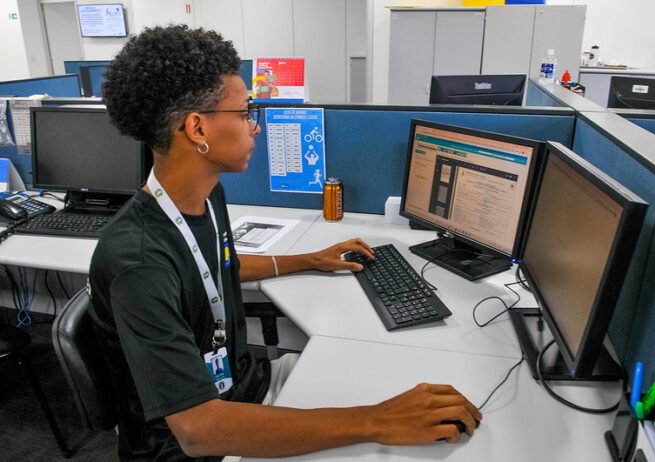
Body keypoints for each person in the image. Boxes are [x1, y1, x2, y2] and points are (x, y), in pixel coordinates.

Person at [89, 25, 481, 461]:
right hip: (194, 444)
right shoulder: (138, 261)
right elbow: (199, 431)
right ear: (197, 128)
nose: (255, 127)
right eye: (245, 113)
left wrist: (311, 259)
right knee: (394, 438)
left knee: (398, 386)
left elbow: (216, 265)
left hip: (247, 387)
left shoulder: (206, 195)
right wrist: (379, 421)